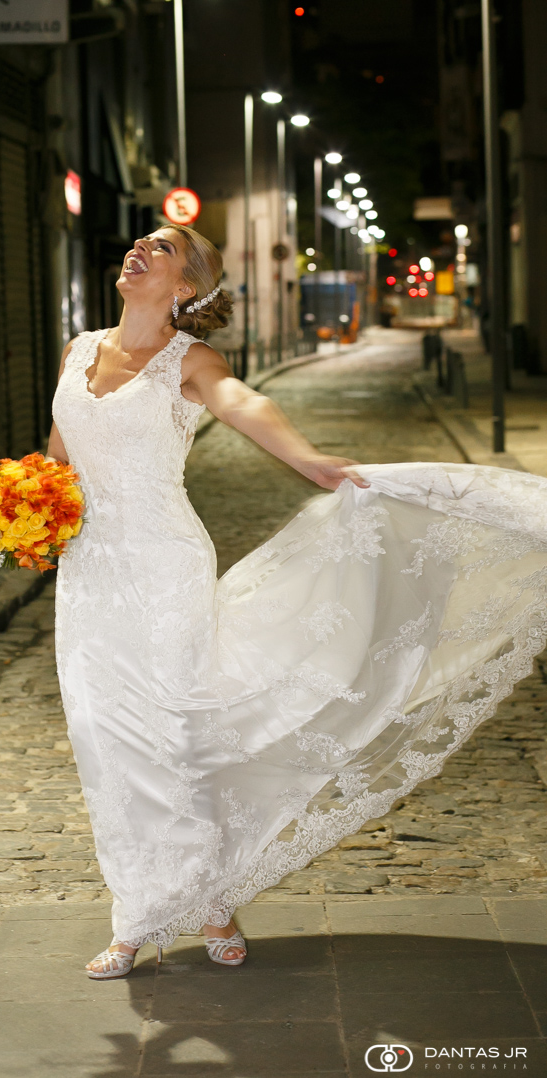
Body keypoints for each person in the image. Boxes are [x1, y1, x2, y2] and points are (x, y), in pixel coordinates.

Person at [46, 224, 547, 979]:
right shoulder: (77, 350)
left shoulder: (193, 361)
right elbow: (55, 454)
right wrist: (22, 503)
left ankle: (198, 904)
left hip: (162, 566)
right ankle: (139, 907)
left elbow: (244, 402)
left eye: (162, 249)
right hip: (87, 573)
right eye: (138, 242)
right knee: (104, 738)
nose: (138, 251)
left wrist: (310, 461)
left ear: (184, 287)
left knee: (175, 737)